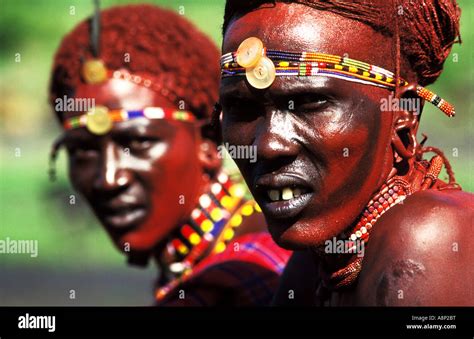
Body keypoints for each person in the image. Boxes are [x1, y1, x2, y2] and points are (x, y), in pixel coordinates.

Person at [218, 0, 473, 306]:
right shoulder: (317, 261)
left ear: (403, 115)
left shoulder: (427, 238)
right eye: (241, 109)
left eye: (310, 102)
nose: (268, 145)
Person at [49, 4, 290, 306]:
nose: (108, 178)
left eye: (137, 143)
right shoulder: (223, 259)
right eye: (82, 150)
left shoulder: (239, 282)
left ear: (208, 141)